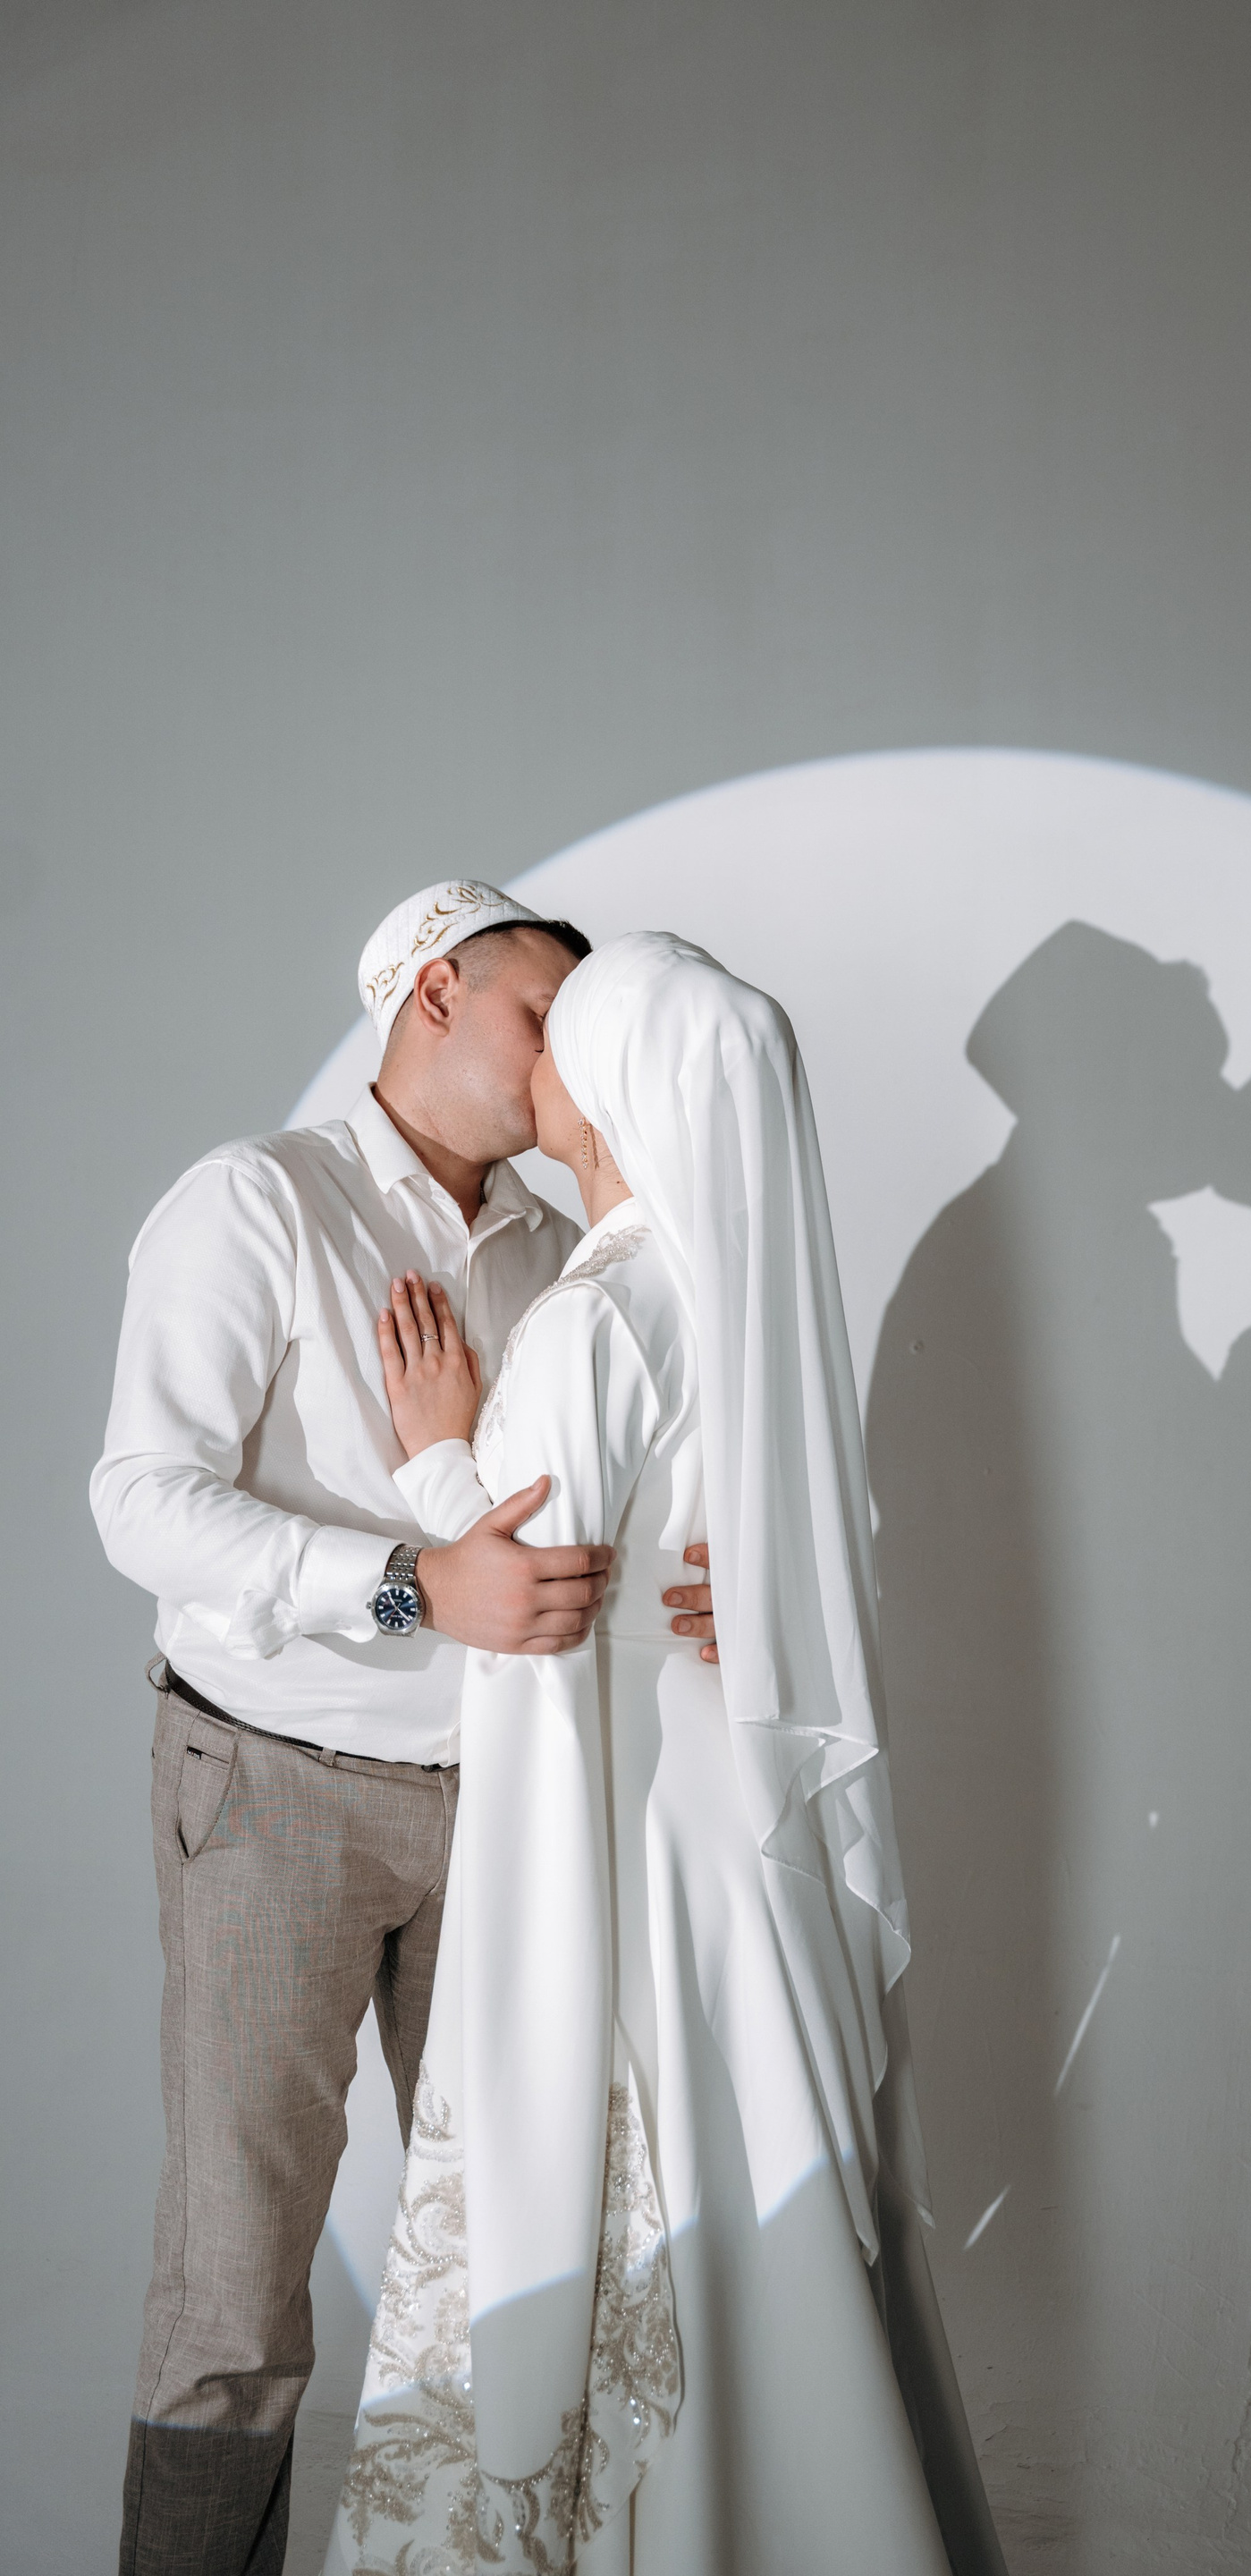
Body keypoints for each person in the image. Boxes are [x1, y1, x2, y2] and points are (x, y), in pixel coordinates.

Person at [324, 933, 1004, 2576]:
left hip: (626, 1817)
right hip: (731, 1818)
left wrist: (435, 1459)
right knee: (745, 2141)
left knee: (651, 2153)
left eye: (568, 1032)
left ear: (618, 1080)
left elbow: (532, 1595)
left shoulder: (603, 1312)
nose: (539, 1057)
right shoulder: (733, 1294)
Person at [91, 882, 719, 2576]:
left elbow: (590, 1519)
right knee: (235, 2292)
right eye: (544, 1015)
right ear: (437, 991)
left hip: (511, 1803)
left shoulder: (564, 1246)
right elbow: (140, 1500)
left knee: (520, 2245)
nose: (569, 1056)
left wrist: (716, 1584)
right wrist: (404, 1583)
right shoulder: (256, 1200)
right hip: (271, 1788)